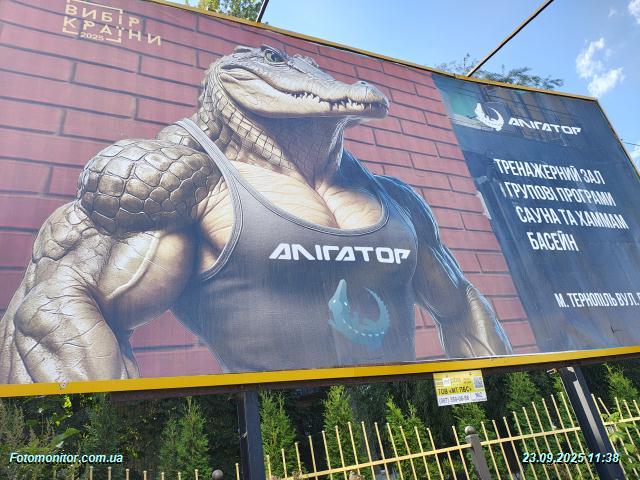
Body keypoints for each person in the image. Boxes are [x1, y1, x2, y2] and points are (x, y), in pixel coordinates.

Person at [0, 45, 512, 384]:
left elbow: (459, 304)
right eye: (275, 60)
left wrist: (497, 406)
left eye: (305, 66)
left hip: (403, 430)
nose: (302, 74)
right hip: (274, 436)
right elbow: (52, 309)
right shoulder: (181, 181)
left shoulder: (396, 198)